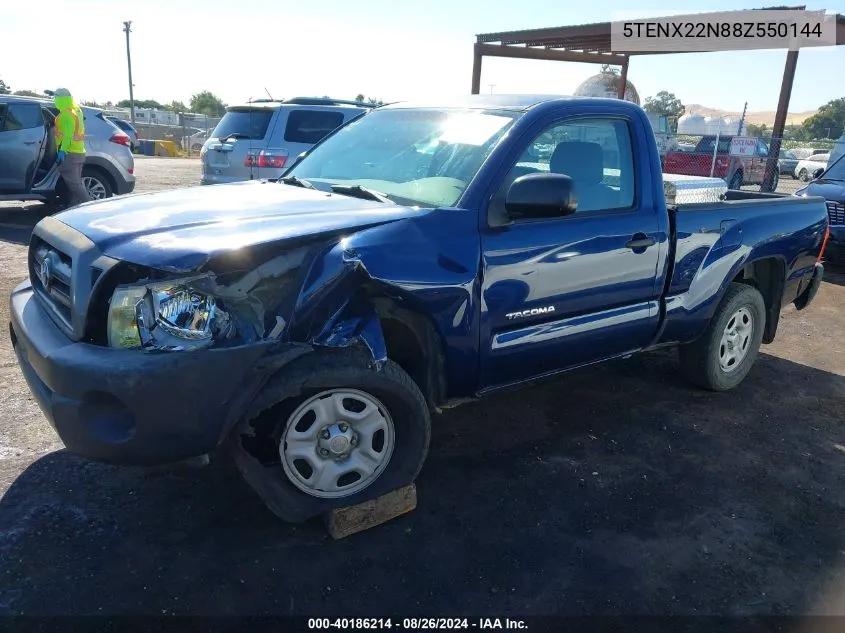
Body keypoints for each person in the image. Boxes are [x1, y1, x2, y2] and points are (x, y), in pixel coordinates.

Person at [53, 88, 91, 207]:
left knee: (75, 184)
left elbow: (68, 135)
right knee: (75, 184)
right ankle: (73, 208)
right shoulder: (76, 111)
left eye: (55, 98)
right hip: (78, 152)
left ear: (61, 100)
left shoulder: (66, 114)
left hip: (70, 153)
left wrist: (62, 151)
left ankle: (91, 207)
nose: (54, 100)